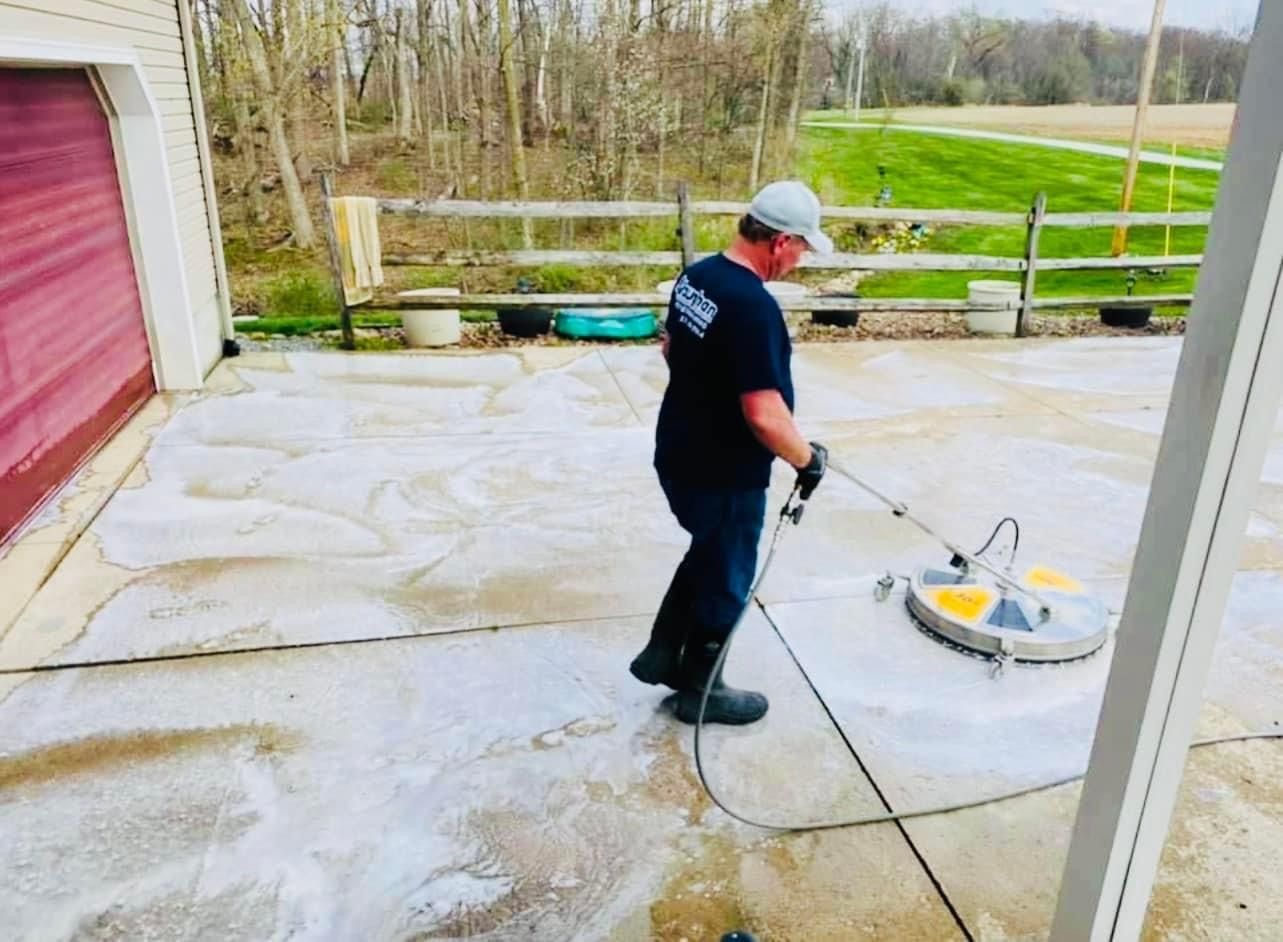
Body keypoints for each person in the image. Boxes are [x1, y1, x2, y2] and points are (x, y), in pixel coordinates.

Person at [630, 180, 831, 726]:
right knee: (728, 574)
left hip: (680, 450)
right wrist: (804, 459)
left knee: (709, 550)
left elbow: (673, 347)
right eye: (802, 249)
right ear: (780, 241)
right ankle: (703, 690)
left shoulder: (697, 278)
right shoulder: (752, 306)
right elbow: (764, 414)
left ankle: (661, 654)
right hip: (723, 471)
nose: (801, 260)